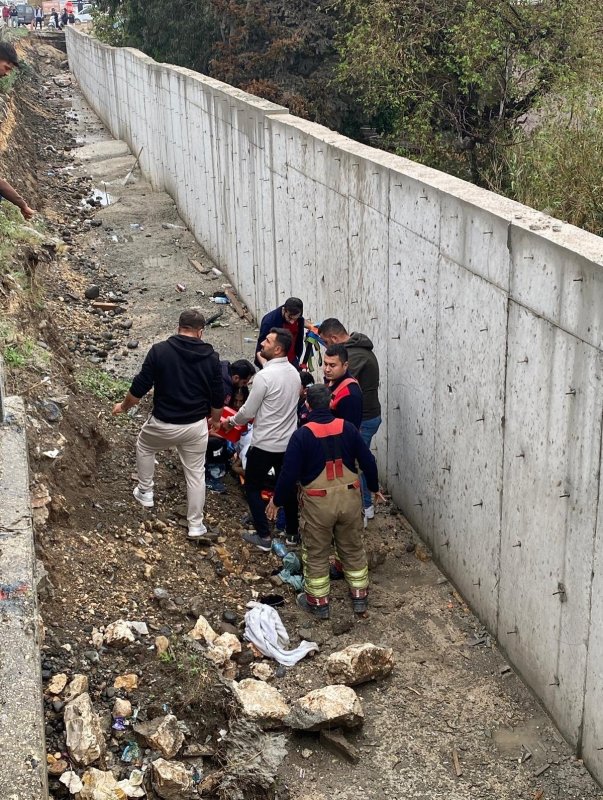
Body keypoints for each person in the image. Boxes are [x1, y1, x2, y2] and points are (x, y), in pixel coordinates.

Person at [267, 384, 383, 619]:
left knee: (317, 552)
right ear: (331, 403)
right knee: (352, 546)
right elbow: (368, 461)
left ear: (307, 405)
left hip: (318, 505)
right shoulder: (348, 428)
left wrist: (276, 501)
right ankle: (359, 596)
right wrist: (374, 487)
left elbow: (288, 474)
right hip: (350, 500)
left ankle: (318, 603)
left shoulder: (301, 435)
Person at [112, 309, 224, 541]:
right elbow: (217, 396)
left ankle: (146, 491)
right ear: (200, 332)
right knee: (196, 474)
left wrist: (123, 407)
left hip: (163, 423)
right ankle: (196, 525)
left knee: (145, 446)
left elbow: (139, 387)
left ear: (179, 327)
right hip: (195, 426)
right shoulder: (212, 358)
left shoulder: (160, 351)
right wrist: (215, 421)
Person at [220, 327, 301, 551]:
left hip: (264, 443)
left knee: (253, 487)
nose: (262, 343)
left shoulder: (264, 377)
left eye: (268, 341)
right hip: (288, 444)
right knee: (287, 488)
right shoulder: (293, 373)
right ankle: (292, 534)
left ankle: (264, 535)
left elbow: (248, 411)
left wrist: (230, 422)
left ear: (278, 349)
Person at [318, 318, 381, 521]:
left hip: (364, 419)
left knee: (356, 463)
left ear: (334, 338)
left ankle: (365, 507)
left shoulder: (354, 357)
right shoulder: (356, 350)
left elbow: (337, 386)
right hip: (365, 416)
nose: (327, 368)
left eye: (326, 342)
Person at [255, 297, 305, 368]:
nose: (292, 322)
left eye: (295, 319)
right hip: (273, 364)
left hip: (292, 361)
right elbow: (260, 350)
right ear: (284, 310)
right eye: (290, 318)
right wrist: (267, 367)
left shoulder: (299, 319)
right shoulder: (269, 321)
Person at [323, 344, 363, 429]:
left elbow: (350, 431)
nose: (327, 369)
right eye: (325, 364)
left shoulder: (350, 395)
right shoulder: (330, 380)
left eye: (332, 365)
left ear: (345, 365)